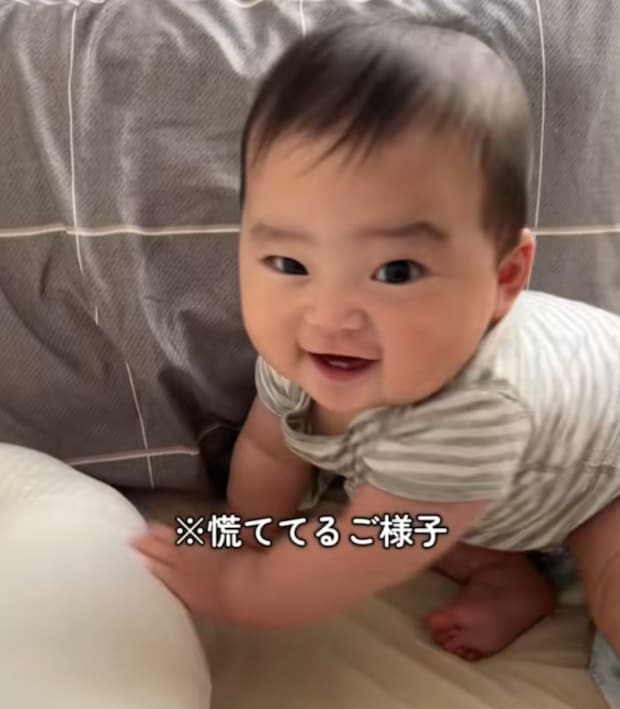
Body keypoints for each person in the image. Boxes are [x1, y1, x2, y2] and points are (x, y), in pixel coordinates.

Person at [132, 19, 620, 668]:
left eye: (396, 272)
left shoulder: (476, 408)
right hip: (478, 501)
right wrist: (246, 538)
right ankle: (507, 577)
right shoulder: (302, 355)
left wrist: (240, 590)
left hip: (603, 484)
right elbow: (270, 453)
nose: (330, 316)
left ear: (504, 279)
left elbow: (358, 557)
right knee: (400, 515)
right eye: (290, 264)